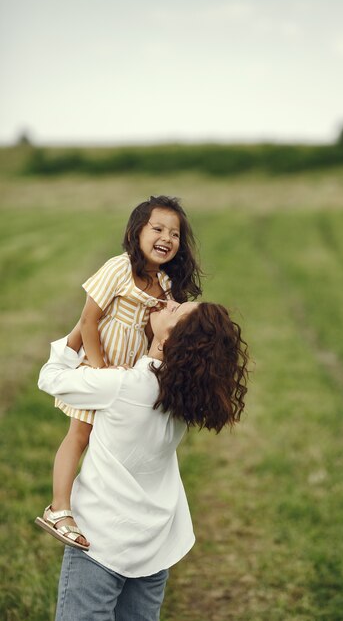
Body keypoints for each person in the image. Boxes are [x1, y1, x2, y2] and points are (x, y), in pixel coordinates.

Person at [37, 300, 249, 621]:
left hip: (101, 540)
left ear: (168, 340)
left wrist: (84, 325)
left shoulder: (122, 386)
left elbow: (50, 377)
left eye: (176, 311)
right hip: (154, 544)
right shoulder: (183, 396)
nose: (169, 303)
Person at [37, 195, 202, 550]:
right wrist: (98, 368)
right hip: (101, 368)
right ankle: (59, 507)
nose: (167, 238)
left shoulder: (165, 284)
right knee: (79, 436)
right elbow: (88, 321)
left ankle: (106, 511)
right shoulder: (118, 268)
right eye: (157, 228)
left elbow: (154, 334)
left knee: (106, 445)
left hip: (126, 379)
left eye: (175, 234)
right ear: (136, 231)